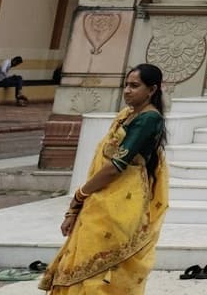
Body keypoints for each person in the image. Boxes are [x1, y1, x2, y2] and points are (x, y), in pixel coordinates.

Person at [39, 64, 169, 295]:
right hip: (103, 196)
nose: (127, 90)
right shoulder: (127, 115)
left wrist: (79, 196)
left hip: (121, 201)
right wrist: (79, 204)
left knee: (101, 271)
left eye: (134, 86)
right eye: (126, 85)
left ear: (152, 90)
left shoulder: (148, 119)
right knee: (84, 263)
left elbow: (115, 166)